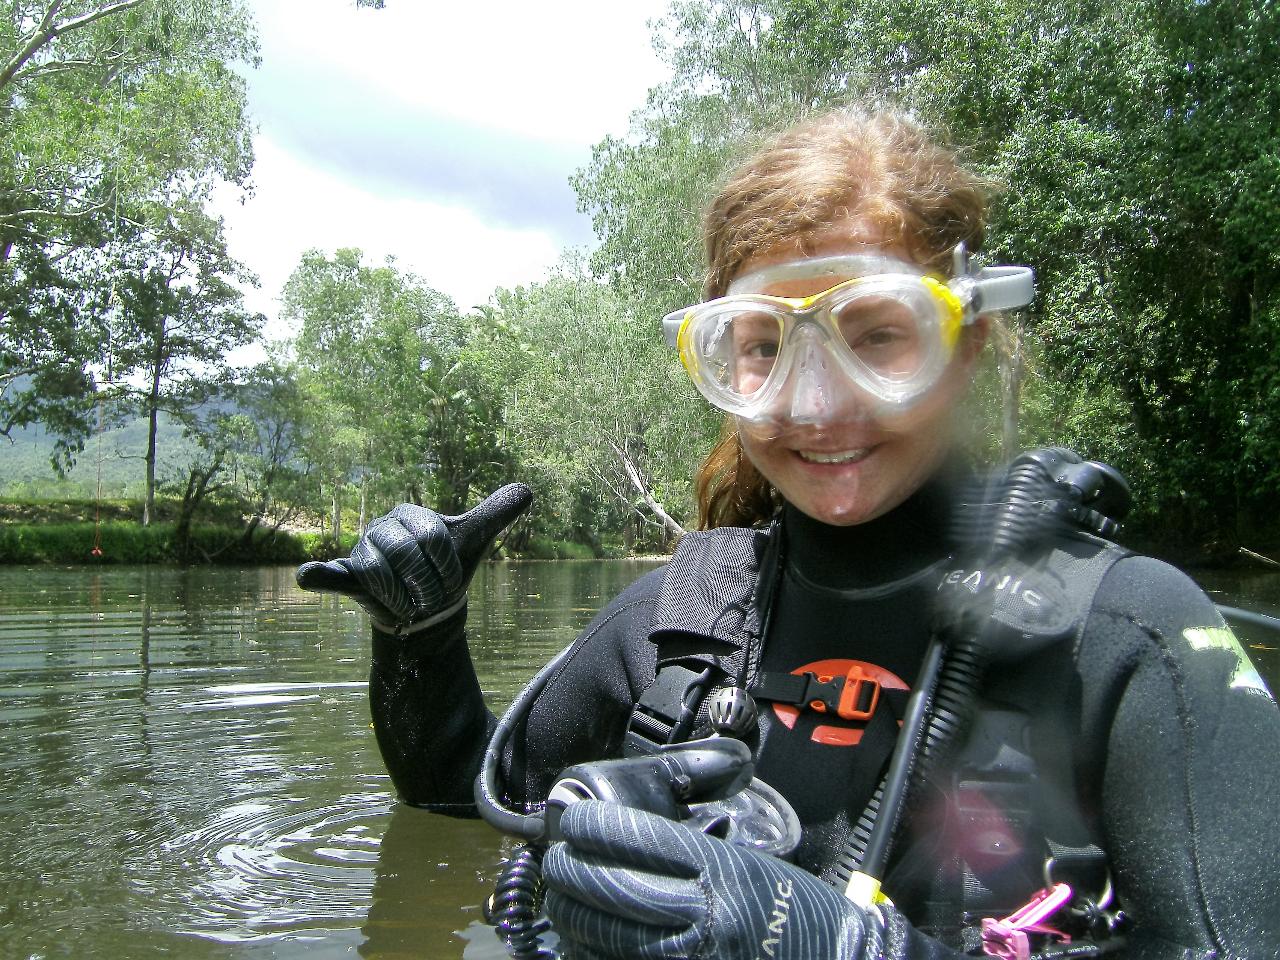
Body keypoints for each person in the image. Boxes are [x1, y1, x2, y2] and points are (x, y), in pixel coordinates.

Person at [297, 109, 1280, 959]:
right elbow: (456, 810)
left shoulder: (1126, 637)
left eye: (875, 335)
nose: (812, 408)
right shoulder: (679, 625)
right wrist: (420, 643)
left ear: (965, 341)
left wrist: (851, 947)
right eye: (762, 348)